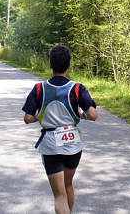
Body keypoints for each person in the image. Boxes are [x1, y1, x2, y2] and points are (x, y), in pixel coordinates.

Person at [22, 45, 97, 214]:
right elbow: (93, 115)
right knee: (68, 185)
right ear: (69, 65)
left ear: (50, 64)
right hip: (73, 145)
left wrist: (38, 117)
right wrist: (81, 114)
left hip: (51, 145)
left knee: (59, 196)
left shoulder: (39, 88)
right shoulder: (78, 88)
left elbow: (27, 118)